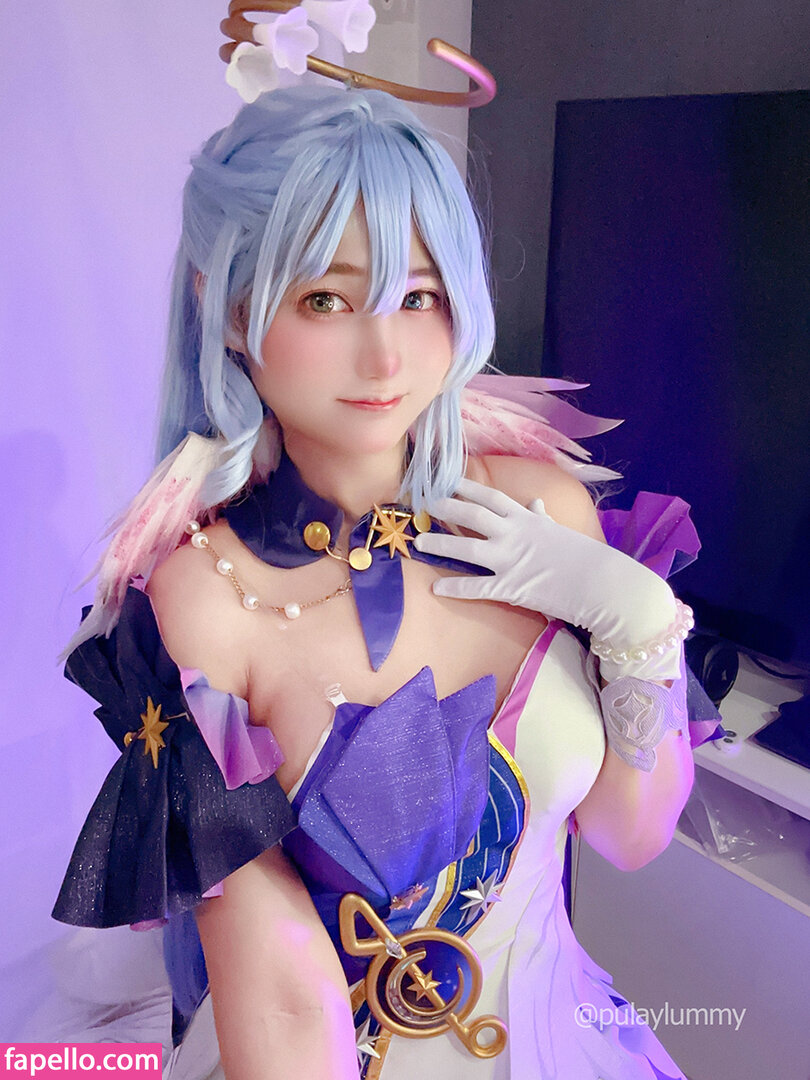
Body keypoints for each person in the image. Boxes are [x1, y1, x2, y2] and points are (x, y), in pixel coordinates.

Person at [52, 9, 719, 1079]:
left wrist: (638, 624)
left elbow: (628, 837)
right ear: (228, 310)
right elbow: (283, 1007)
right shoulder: (202, 604)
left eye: (419, 295)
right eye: (326, 297)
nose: (387, 356)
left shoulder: (542, 511)